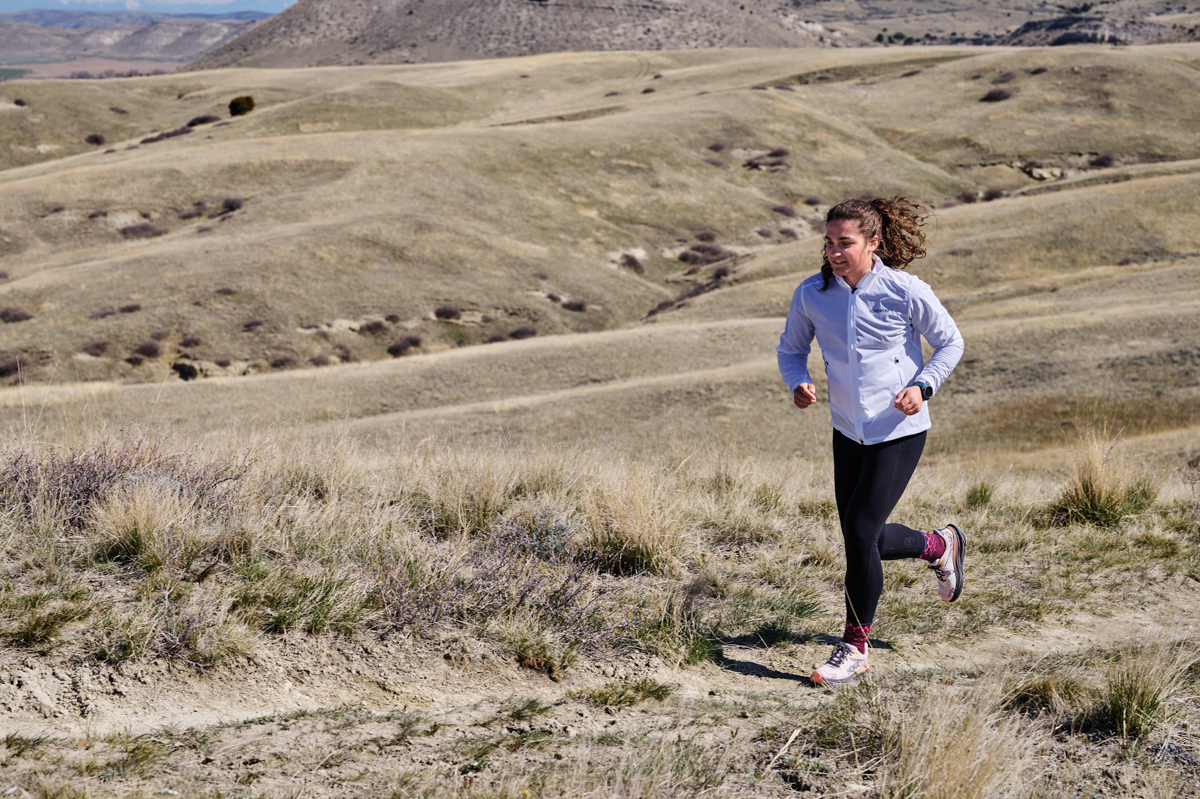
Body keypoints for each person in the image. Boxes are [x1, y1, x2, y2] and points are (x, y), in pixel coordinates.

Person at [777, 196, 966, 687]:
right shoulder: (812, 294)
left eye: (846, 243)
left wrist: (923, 387)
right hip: (847, 431)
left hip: (898, 431)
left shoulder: (905, 290)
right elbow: (791, 348)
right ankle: (937, 545)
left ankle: (854, 648)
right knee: (864, 537)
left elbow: (951, 342)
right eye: (829, 242)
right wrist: (797, 381)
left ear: (873, 242)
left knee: (861, 533)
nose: (834, 252)